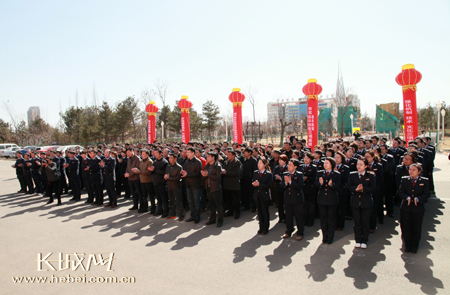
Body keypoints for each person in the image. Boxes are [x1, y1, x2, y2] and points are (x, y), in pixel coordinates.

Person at [398, 163, 429, 253]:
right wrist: (406, 197)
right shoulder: (404, 180)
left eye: (414, 170)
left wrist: (418, 199)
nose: (411, 171)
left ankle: (415, 245)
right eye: (410, 169)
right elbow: (401, 192)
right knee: (406, 226)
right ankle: (407, 245)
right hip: (406, 208)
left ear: (419, 172)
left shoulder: (424, 181)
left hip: (418, 208)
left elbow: (426, 194)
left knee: (416, 227)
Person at [348, 158, 376, 249]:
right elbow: (349, 187)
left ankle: (364, 240)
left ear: (366, 166)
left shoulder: (371, 175)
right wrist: (356, 189)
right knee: (357, 222)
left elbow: (373, 188)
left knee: (365, 222)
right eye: (357, 164)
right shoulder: (352, 175)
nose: (358, 166)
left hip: (366, 202)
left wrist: (363, 189)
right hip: (355, 202)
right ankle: (358, 239)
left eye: (361, 164)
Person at [314, 157, 341, 244]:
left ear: (332, 165)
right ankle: (324, 237)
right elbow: (316, 184)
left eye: (327, 163)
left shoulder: (336, 174)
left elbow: (338, 187)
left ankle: (330, 237)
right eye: (324, 163)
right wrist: (320, 184)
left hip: (332, 200)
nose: (325, 165)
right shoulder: (320, 173)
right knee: (323, 219)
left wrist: (332, 185)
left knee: (331, 219)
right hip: (322, 199)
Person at [281, 158, 305, 241]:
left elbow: (300, 185)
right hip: (288, 198)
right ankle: (289, 230)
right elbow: (282, 185)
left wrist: (291, 181)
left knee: (299, 216)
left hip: (297, 199)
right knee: (288, 216)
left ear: (295, 166)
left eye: (291, 165)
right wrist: (285, 182)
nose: (288, 166)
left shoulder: (299, 174)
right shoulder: (285, 173)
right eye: (288, 164)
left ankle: (300, 232)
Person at [201, 152, 224, 227]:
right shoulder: (207, 166)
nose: (207, 158)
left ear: (213, 157)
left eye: (208, 156)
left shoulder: (218, 166)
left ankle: (220, 220)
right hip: (208, 187)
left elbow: (217, 177)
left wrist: (208, 175)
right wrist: (203, 175)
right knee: (211, 205)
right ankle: (212, 219)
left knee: (219, 206)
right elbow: (205, 177)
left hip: (216, 188)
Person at [181, 147, 203, 224]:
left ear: (193, 153)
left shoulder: (198, 162)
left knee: (196, 202)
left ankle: (197, 217)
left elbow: (198, 173)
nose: (187, 154)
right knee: (190, 202)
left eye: (189, 152)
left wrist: (188, 174)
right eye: (187, 152)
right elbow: (185, 171)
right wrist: (183, 173)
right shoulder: (186, 162)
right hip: (188, 184)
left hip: (196, 185)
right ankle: (192, 215)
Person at [252, 158, 272, 235]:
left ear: (265, 164)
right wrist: (254, 184)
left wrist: (259, 184)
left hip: (265, 195)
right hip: (257, 195)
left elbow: (268, 185)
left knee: (265, 212)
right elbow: (253, 181)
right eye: (258, 163)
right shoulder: (256, 172)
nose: (259, 165)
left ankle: (266, 228)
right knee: (259, 212)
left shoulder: (268, 174)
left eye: (260, 163)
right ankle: (261, 227)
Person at [365, 150, 384, 232]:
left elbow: (381, 177)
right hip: (365, 189)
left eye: (368, 157)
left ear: (373, 157)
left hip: (375, 189)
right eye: (365, 157)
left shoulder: (378, 166)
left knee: (375, 207)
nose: (367, 158)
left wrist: (374, 175)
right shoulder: (364, 165)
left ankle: (372, 226)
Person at [222, 150, 242, 219]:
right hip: (227, 184)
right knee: (228, 199)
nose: (227, 156)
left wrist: (226, 172)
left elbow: (236, 173)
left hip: (234, 184)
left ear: (233, 155)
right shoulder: (226, 162)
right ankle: (230, 211)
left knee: (235, 199)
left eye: (229, 155)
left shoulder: (237, 162)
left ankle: (237, 212)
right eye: (227, 155)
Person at [149, 149, 169, 217]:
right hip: (155, 182)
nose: (155, 154)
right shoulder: (154, 162)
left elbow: (163, 172)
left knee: (164, 198)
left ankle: (166, 211)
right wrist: (151, 170)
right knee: (158, 198)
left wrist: (154, 170)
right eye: (155, 153)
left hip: (161, 183)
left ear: (161, 154)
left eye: (157, 153)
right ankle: (159, 210)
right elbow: (153, 172)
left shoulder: (165, 162)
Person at [165, 153, 183, 220]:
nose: (169, 160)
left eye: (171, 158)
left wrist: (169, 178)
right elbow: (166, 174)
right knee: (171, 201)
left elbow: (178, 177)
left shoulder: (179, 167)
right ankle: (172, 214)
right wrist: (165, 177)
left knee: (178, 201)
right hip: (169, 186)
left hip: (176, 186)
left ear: (175, 159)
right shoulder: (168, 166)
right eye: (169, 158)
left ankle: (181, 215)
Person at [334, 151, 350, 231]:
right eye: (335, 157)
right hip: (334, 190)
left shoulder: (345, 168)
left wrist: (338, 172)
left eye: (338, 158)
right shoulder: (332, 167)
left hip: (342, 190)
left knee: (342, 208)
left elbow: (346, 179)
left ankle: (341, 225)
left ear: (342, 159)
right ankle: (335, 224)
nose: (336, 159)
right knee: (335, 209)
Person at [137, 149, 155, 214]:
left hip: (148, 181)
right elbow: (139, 168)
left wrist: (140, 172)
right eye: (142, 154)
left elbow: (149, 172)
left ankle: (153, 208)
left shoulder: (150, 161)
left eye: (144, 154)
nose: (142, 155)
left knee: (151, 195)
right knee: (144, 195)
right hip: (142, 180)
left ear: (147, 155)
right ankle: (145, 207)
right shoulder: (141, 161)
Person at [302, 152, 317, 227]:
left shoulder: (313, 167)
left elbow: (315, 178)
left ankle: (311, 221)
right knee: (304, 206)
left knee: (311, 206)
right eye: (305, 158)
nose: (305, 159)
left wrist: (307, 178)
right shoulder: (301, 166)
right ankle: (304, 220)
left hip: (310, 188)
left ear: (311, 160)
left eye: (307, 158)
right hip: (303, 189)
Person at [273, 154, 289, 223]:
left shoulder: (288, 168)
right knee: (280, 204)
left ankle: (286, 217)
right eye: (279, 160)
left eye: (281, 160)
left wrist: (280, 178)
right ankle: (281, 217)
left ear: (285, 161)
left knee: (286, 204)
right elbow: (273, 175)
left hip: (285, 188)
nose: (279, 161)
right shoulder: (277, 167)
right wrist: (276, 177)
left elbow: (287, 178)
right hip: (278, 187)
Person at [242, 147, 258, 212]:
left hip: (251, 179)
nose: (244, 153)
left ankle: (254, 207)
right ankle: (246, 206)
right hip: (245, 179)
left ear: (250, 153)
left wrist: (254, 179)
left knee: (252, 194)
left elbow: (255, 170)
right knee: (245, 193)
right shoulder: (245, 160)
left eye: (246, 152)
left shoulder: (254, 160)